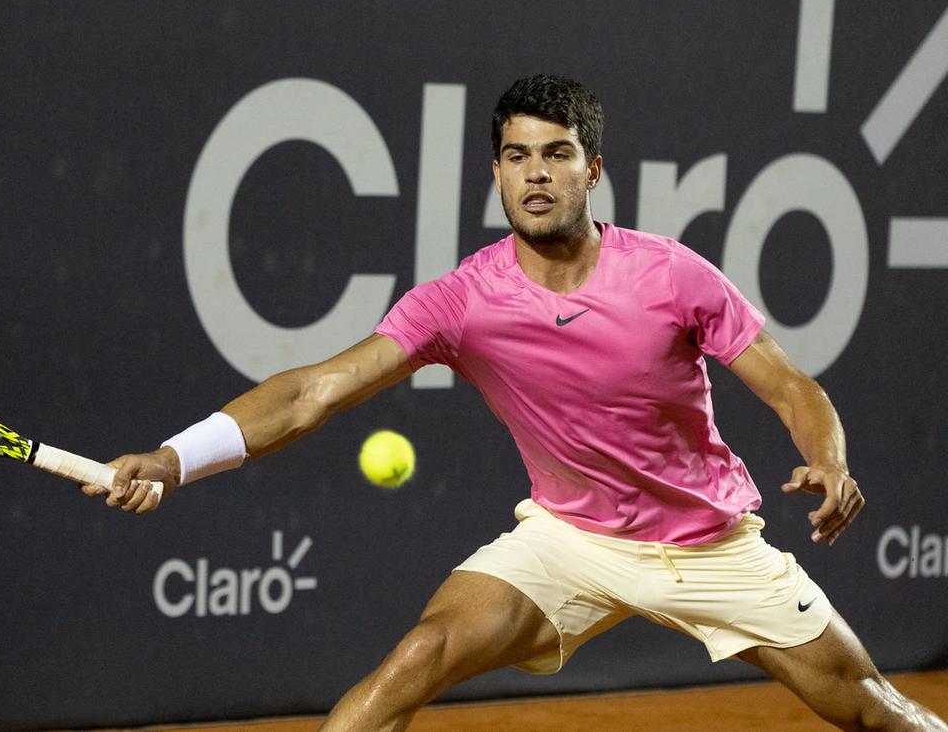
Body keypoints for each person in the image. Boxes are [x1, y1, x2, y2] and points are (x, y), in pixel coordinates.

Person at [83, 75, 947, 731]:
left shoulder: (670, 273)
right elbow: (314, 391)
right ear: (497, 172)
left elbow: (789, 384)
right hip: (569, 540)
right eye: (518, 156)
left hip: (707, 540)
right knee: (421, 653)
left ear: (593, 168)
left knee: (870, 708)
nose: (537, 174)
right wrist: (173, 457)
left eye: (557, 153)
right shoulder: (463, 299)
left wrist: (829, 460)